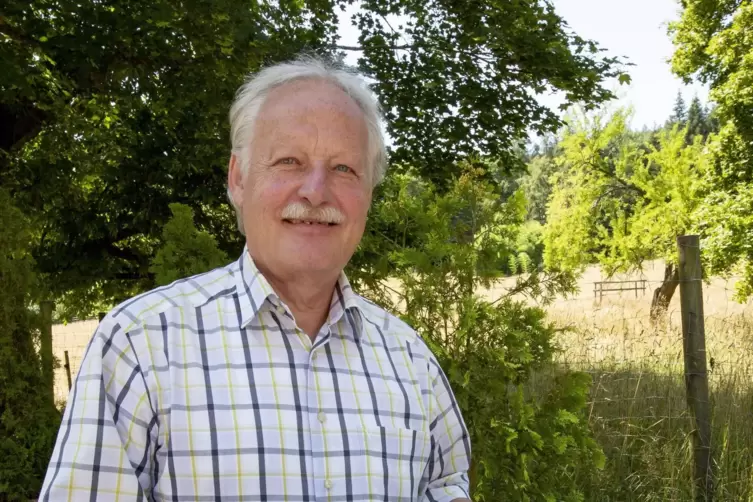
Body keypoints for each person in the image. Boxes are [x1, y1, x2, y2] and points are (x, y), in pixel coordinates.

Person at [40, 54, 471, 501]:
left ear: (368, 194)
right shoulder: (141, 346)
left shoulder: (411, 361)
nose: (316, 191)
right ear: (238, 178)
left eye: (344, 168)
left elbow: (447, 486)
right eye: (289, 161)